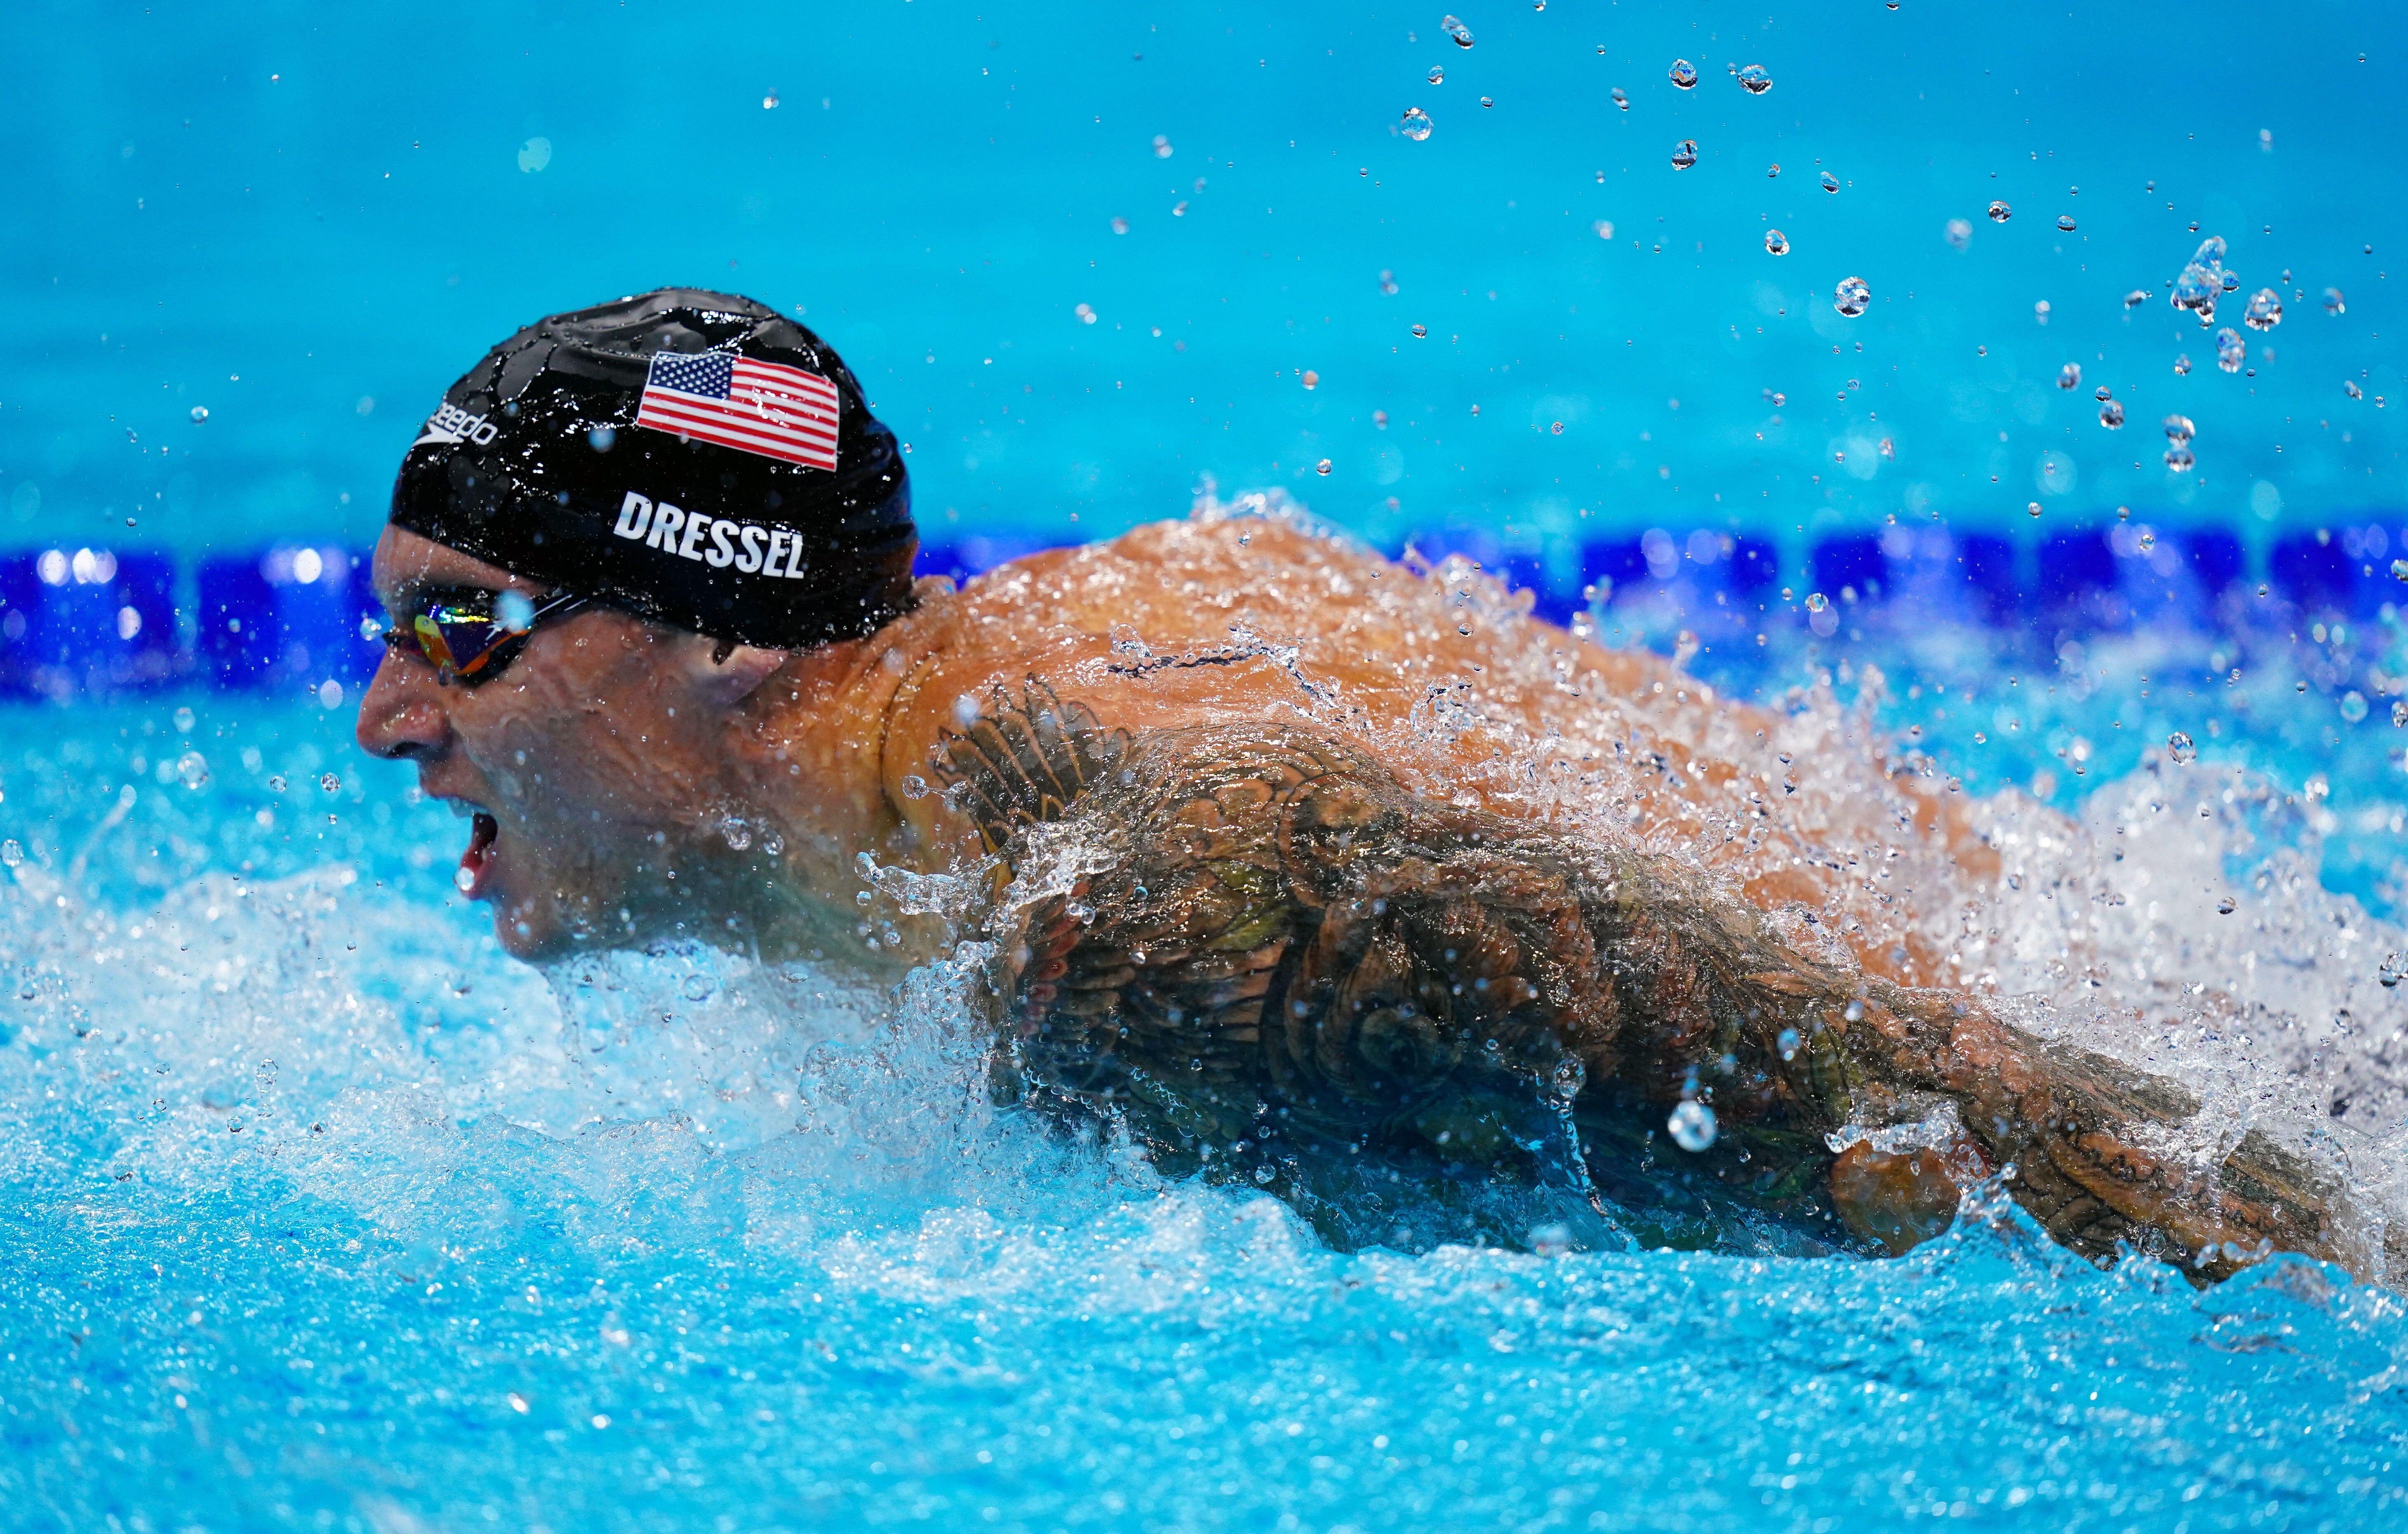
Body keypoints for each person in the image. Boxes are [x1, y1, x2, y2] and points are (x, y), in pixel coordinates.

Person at [359, 289, 2385, 1285]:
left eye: (462, 630)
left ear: (722, 632)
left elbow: (1929, 1106)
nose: (383, 718)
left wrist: (2344, 1244)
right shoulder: (1085, 637)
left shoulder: (1139, 883)